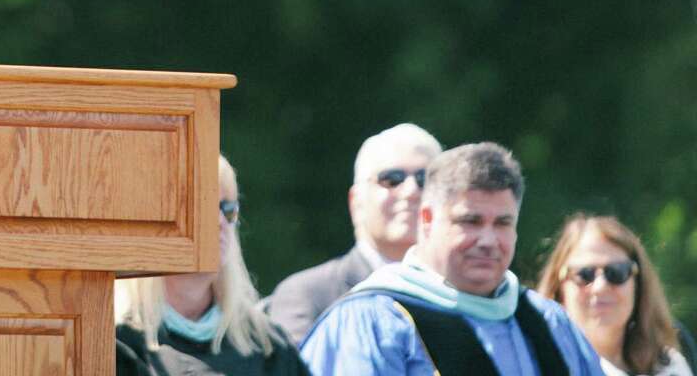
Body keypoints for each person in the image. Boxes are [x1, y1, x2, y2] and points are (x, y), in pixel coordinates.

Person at [301, 142, 604, 375]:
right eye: (470, 221)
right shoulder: (372, 323)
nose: (488, 241)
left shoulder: (549, 324)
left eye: (502, 223)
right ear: (428, 219)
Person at [116, 155, 310, 376]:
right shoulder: (117, 344)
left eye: (228, 209)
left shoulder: (269, 348)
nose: (219, 221)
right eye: (203, 205)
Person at [268, 123, 442, 343]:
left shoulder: (469, 293)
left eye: (424, 179)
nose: (410, 192)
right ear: (356, 202)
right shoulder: (308, 295)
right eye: (392, 179)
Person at [536, 214, 694, 376]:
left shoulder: (672, 365)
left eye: (616, 272)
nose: (600, 287)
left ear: (638, 284)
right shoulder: (535, 366)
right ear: (559, 288)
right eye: (584, 274)